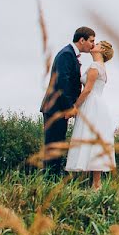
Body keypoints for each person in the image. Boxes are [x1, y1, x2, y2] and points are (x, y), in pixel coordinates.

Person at [40, 26, 95, 176]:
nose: (93, 45)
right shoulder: (66, 55)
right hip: (55, 108)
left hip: (59, 109)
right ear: (82, 40)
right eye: (91, 41)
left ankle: (52, 180)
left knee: (57, 146)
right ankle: (49, 181)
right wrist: (70, 108)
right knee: (53, 147)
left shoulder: (70, 55)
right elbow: (62, 84)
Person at [65, 39, 116, 189]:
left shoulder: (95, 67)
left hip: (92, 104)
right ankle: (95, 184)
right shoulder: (101, 67)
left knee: (88, 137)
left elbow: (87, 90)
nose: (94, 45)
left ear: (102, 51)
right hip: (98, 105)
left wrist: (75, 107)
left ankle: (92, 183)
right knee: (94, 140)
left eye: (98, 44)